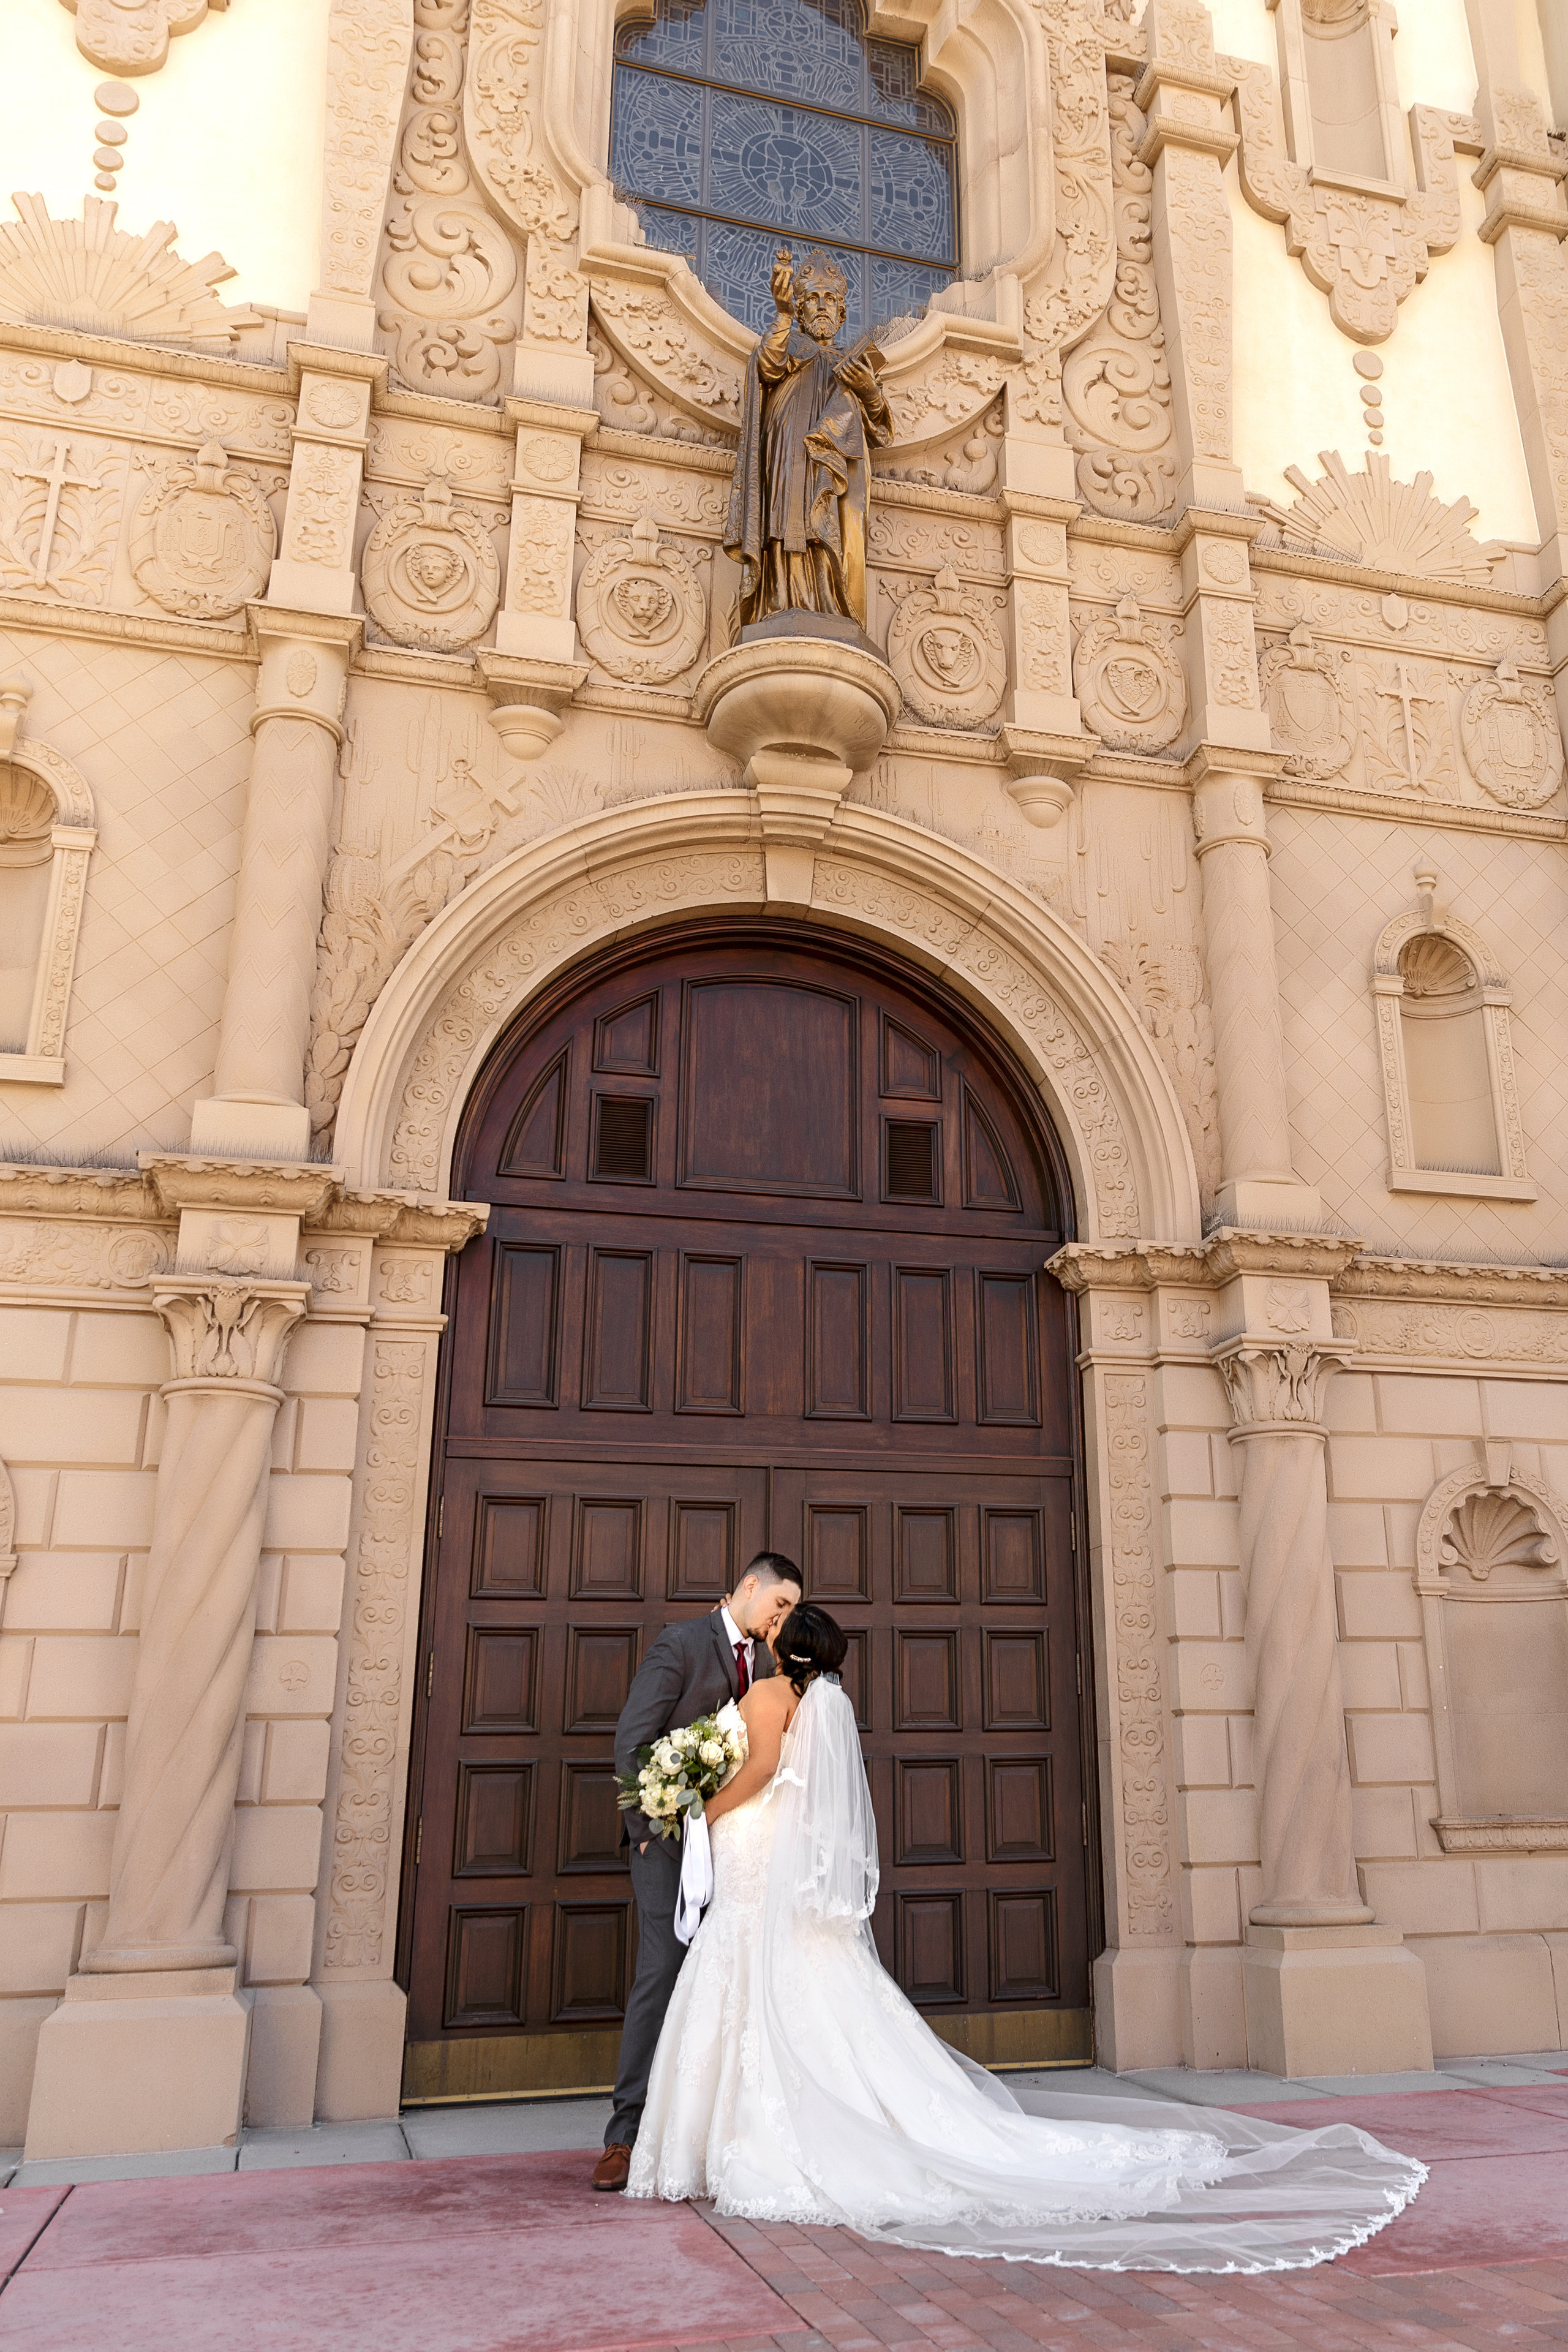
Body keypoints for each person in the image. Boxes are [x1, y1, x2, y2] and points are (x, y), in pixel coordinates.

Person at [622, 1600, 1428, 2274]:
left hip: (754, 1847)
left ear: (784, 1649)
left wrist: (699, 1809)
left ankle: (735, 2138)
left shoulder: (769, 1698)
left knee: (750, 1979)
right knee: (799, 1986)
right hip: (775, 1859)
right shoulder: (828, 1704)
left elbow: (758, 1775)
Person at [591, 1550, 802, 2193]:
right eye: (780, 1604)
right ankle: (624, 2137)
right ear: (748, 1587)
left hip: (736, 1848)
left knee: (729, 1981)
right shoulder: (681, 1643)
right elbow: (633, 1739)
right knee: (661, 1974)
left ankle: (708, 2132)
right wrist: (648, 1834)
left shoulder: (771, 1668)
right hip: (668, 1843)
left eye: (791, 1611)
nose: (781, 1618)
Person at [723, 245, 891, 636]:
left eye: (830, 300)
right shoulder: (790, 345)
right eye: (811, 300)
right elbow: (767, 364)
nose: (821, 307)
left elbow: (880, 425)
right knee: (786, 517)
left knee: (827, 520)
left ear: (842, 313)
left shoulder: (854, 364)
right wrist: (781, 315)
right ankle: (782, 599)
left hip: (832, 462)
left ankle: (829, 604)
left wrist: (868, 390)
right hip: (787, 451)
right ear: (800, 311)